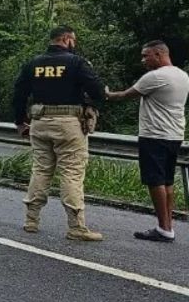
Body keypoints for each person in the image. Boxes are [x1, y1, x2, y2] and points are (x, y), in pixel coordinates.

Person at [12, 26, 106, 241]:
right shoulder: (77, 63)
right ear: (66, 39)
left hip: (39, 121)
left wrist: (20, 122)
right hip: (68, 123)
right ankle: (76, 227)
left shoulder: (33, 63)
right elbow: (98, 91)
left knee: (41, 170)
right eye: (73, 40)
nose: (75, 44)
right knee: (71, 172)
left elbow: (18, 95)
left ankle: (31, 221)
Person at [105, 40, 189, 243]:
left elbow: (126, 95)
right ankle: (168, 226)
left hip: (154, 135)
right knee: (167, 180)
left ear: (159, 54)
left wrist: (107, 94)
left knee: (155, 180)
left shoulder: (156, 76)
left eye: (146, 55)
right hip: (174, 134)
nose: (143, 60)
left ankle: (163, 228)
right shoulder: (182, 75)